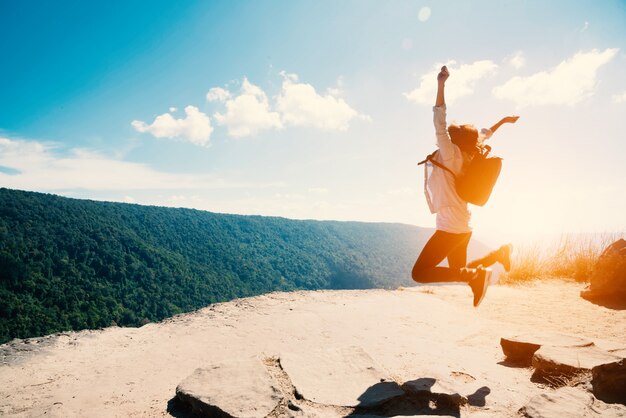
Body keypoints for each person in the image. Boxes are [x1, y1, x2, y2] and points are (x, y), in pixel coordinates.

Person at [412, 65, 519, 307]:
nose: (444, 136)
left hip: (451, 227)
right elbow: (485, 134)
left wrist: (441, 84)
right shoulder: (470, 155)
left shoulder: (450, 153)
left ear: (453, 139)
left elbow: (439, 119)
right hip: (462, 225)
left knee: (420, 273)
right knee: (459, 270)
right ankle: (499, 254)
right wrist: (503, 120)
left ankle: (476, 275)